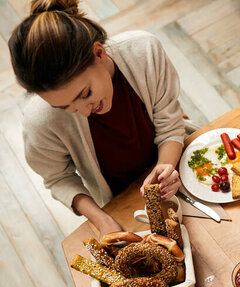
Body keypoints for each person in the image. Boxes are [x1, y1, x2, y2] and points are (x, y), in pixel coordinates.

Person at [9, 0, 185, 236]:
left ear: (99, 52)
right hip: (117, 198)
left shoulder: (144, 51)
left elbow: (170, 122)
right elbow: (58, 178)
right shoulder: (40, 120)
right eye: (65, 108)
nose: (84, 111)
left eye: (85, 94)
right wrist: (102, 220)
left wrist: (165, 166)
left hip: (182, 163)